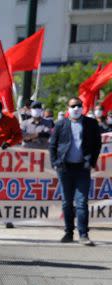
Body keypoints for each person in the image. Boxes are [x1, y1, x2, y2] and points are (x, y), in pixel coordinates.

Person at [49, 97, 102, 246]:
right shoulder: (61, 124)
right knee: (66, 203)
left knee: (81, 202)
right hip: (64, 169)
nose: (76, 108)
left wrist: (91, 162)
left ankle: (83, 234)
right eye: (73, 106)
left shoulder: (91, 124)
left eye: (79, 106)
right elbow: (53, 145)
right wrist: (55, 163)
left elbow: (97, 144)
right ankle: (68, 232)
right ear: (68, 108)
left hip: (82, 169)